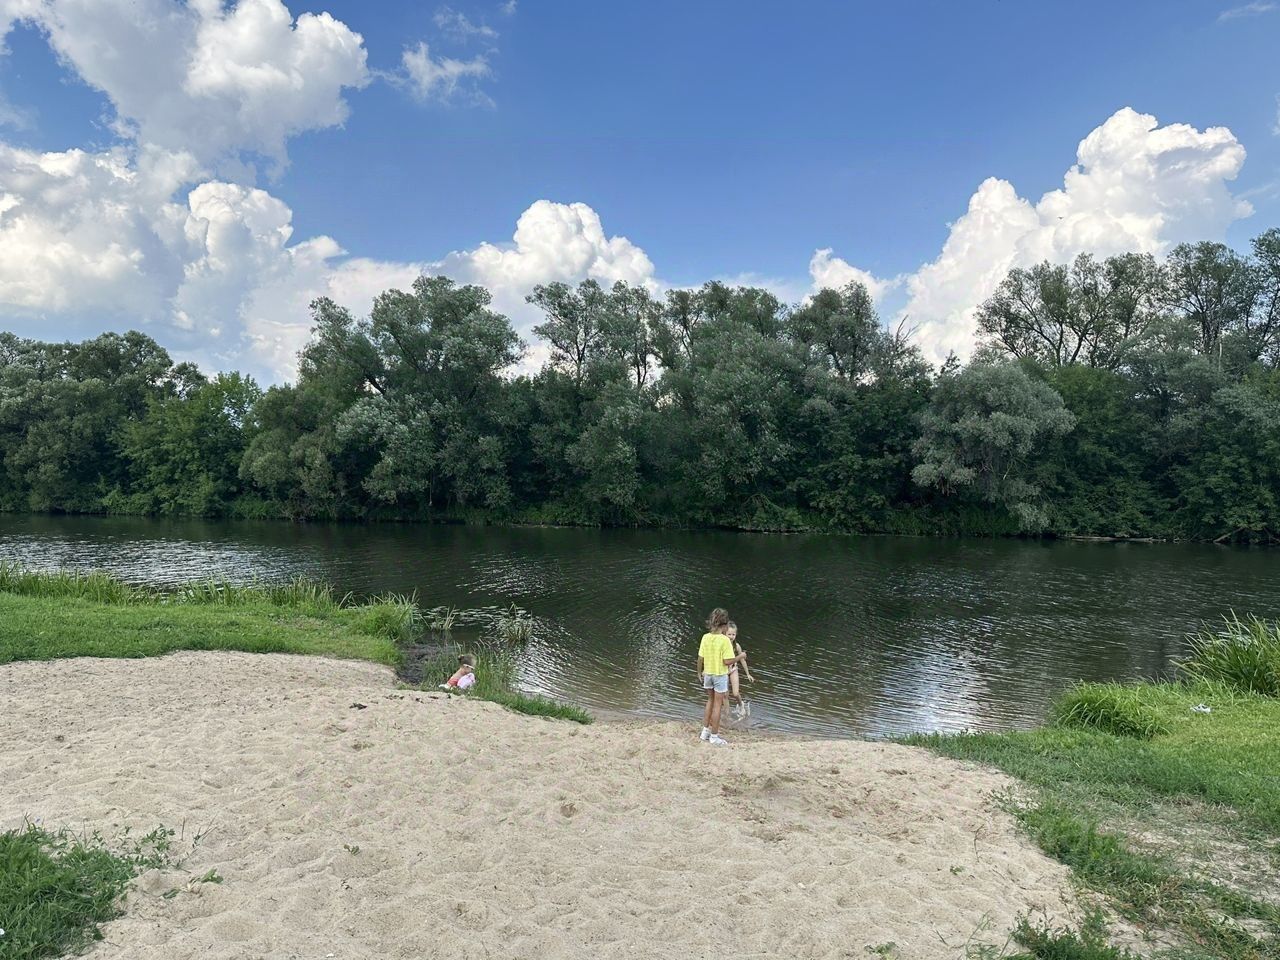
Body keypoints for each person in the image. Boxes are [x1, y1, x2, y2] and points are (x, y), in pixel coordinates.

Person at [697, 608, 743, 746]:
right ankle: (714, 736)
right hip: (719, 676)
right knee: (718, 705)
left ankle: (705, 731)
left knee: (709, 702)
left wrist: (699, 672)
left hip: (708, 674)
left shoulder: (705, 637)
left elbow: (700, 658)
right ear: (724, 625)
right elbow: (727, 661)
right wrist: (740, 656)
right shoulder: (724, 640)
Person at [726, 621, 754, 719]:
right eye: (729, 634)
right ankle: (727, 714)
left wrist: (748, 674)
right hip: (723, 671)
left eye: (733, 634)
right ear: (724, 634)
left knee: (735, 693)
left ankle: (741, 705)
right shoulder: (722, 645)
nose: (731, 636)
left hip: (733, 669)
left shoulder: (736, 646)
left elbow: (742, 660)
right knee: (725, 695)